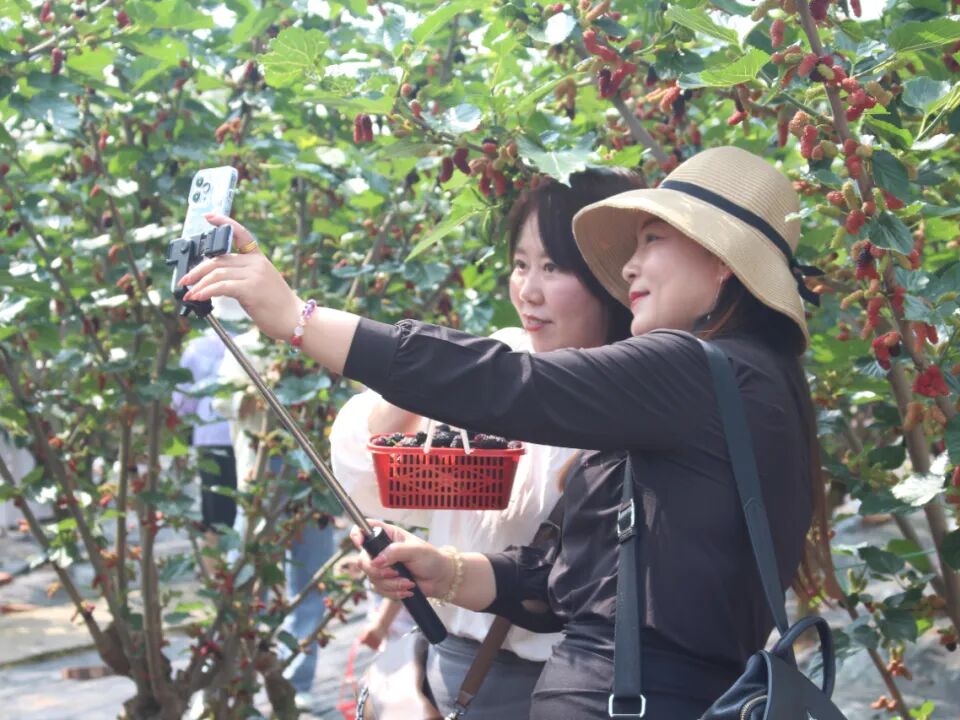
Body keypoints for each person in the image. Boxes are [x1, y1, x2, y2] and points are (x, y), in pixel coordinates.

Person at [177, 146, 833, 719]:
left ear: (721, 262)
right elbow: (571, 585)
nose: (630, 268)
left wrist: (298, 318)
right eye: (522, 264)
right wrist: (447, 570)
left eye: (651, 241)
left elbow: (504, 384)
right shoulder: (730, 386)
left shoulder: (695, 373)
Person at [330, 169, 642, 718]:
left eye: (554, 266)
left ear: (613, 275)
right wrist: (413, 383)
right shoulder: (497, 363)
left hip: (566, 691)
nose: (528, 290)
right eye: (521, 264)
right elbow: (365, 477)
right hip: (452, 676)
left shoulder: (640, 406)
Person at [212, 305, 336, 712]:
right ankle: (235, 680)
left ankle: (298, 683)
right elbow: (222, 402)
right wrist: (262, 387)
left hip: (310, 480)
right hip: (261, 476)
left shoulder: (314, 342)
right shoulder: (243, 347)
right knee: (245, 575)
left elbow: (340, 398)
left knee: (310, 578)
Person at [171, 296, 247, 540]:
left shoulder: (197, 348)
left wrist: (186, 419)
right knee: (242, 504)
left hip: (208, 436)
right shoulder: (248, 344)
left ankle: (215, 557)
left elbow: (182, 398)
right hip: (243, 435)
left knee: (214, 510)